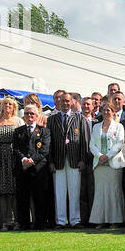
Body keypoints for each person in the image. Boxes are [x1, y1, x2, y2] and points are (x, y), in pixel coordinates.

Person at [51, 91, 90, 228]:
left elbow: (84, 141)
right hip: (58, 161)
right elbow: (49, 143)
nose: (65, 104)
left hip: (75, 160)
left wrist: (83, 160)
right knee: (59, 192)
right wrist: (50, 162)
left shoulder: (80, 118)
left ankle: (75, 220)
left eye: (68, 101)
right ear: (58, 102)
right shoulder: (52, 119)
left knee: (74, 192)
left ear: (72, 102)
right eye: (63, 101)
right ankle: (60, 221)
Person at [14, 104, 51, 230]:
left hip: (38, 169)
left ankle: (40, 223)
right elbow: (16, 149)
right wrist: (24, 159)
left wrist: (31, 160)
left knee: (40, 197)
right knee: (23, 197)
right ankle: (24, 223)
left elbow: (44, 150)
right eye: (27, 114)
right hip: (23, 168)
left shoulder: (44, 131)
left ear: (37, 116)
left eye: (32, 114)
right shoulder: (18, 131)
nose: (29, 116)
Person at [89, 103, 125, 228]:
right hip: (99, 164)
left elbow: (119, 143)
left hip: (113, 164)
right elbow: (92, 144)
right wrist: (100, 156)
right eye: (104, 110)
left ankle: (114, 220)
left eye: (108, 110)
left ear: (113, 112)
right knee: (100, 193)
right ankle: (100, 220)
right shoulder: (96, 127)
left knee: (113, 192)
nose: (106, 112)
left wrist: (107, 156)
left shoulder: (119, 126)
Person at [0, 98, 23, 230]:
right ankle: (4, 220)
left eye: (10, 104)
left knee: (15, 190)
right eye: (5, 103)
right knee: (2, 190)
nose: (7, 106)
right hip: (0, 158)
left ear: (14, 106)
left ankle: (16, 220)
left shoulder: (18, 121)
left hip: (13, 158)